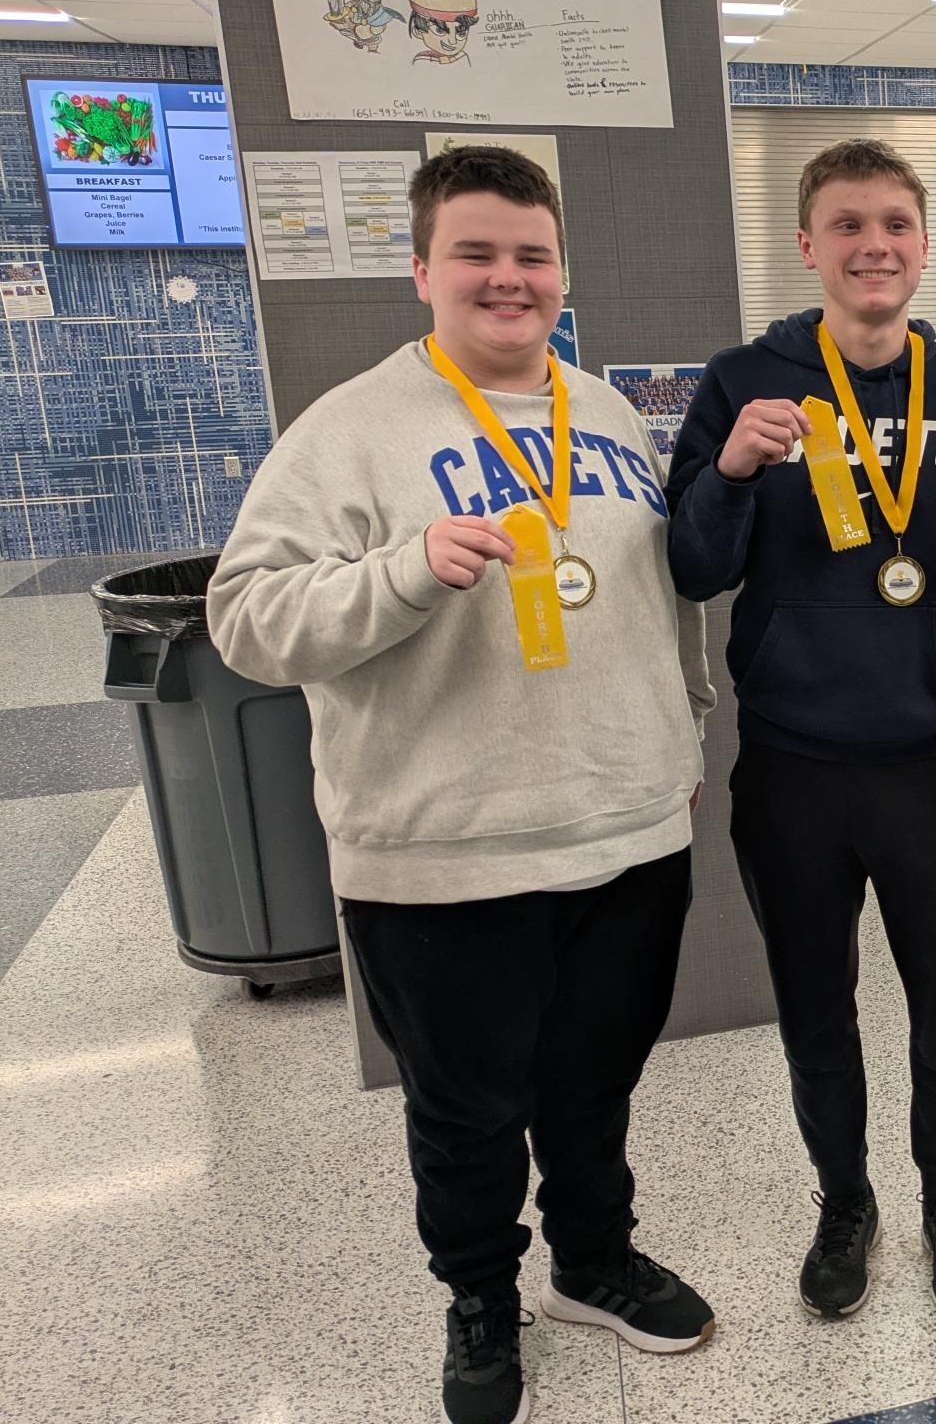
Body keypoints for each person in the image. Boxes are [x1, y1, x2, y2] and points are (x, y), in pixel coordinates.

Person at [207, 146, 717, 1424]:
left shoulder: (601, 412)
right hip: (443, 854)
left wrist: (683, 729)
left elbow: (652, 595)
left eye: (531, 255)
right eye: (477, 253)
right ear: (422, 268)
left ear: (561, 272)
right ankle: (482, 1296)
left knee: (595, 1082)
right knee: (470, 1109)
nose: (508, 278)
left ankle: (592, 1262)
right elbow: (246, 620)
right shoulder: (346, 432)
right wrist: (403, 570)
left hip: (626, 830)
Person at [663, 138, 936, 1322]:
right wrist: (724, 467)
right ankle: (844, 1200)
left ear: (923, 246)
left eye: (895, 225)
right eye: (847, 225)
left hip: (932, 759)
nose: (874, 245)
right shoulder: (742, 380)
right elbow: (691, 562)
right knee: (815, 1008)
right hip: (793, 766)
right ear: (808, 245)